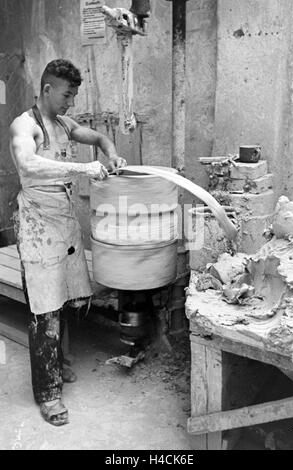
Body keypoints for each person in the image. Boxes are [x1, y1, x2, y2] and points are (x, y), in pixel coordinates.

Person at [9, 59, 127, 427]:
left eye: (74, 95)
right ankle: (48, 393)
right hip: (37, 225)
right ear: (47, 90)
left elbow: (94, 136)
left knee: (65, 299)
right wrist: (83, 169)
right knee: (44, 308)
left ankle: (58, 365)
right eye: (67, 95)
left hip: (63, 221)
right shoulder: (24, 125)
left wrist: (108, 151)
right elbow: (28, 165)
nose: (71, 102)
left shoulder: (63, 123)